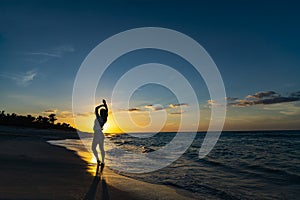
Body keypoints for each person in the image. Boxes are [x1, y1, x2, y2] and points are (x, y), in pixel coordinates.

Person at [92, 99, 108, 171]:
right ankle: (99, 160)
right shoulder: (98, 117)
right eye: (101, 111)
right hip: (97, 134)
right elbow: (96, 109)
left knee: (100, 148)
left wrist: (105, 105)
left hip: (99, 134)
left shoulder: (104, 119)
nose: (101, 112)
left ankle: (102, 161)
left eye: (102, 112)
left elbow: (106, 110)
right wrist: (103, 105)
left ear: (104, 113)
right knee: (94, 148)